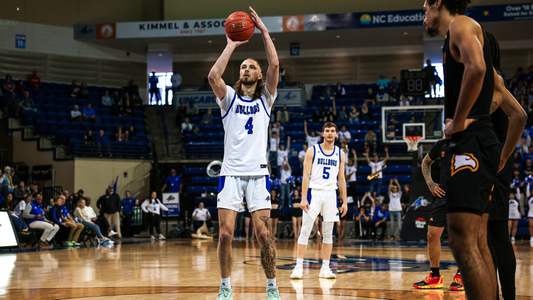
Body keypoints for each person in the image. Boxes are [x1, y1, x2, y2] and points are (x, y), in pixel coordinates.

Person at [423, 2, 501, 298]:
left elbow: (478, 67)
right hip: (479, 141)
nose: (424, 12)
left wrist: (457, 121)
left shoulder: (460, 24)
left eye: (425, 6)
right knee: (477, 242)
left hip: (470, 141)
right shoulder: (454, 35)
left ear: (439, 2)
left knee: (462, 241)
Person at [207, 6, 280, 299]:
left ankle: (272, 287)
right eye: (242, 67)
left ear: (258, 74)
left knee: (264, 235)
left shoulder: (266, 99)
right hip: (231, 174)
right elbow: (213, 76)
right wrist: (230, 44)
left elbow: (275, 65)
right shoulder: (229, 99)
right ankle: (225, 286)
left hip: (258, 176)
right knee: (225, 234)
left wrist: (263, 31)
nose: (245, 69)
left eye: (250, 66)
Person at [291, 122, 347, 280]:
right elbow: (305, 176)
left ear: (337, 134)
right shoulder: (312, 150)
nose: (330, 133)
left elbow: (341, 178)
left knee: (328, 234)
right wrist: (303, 197)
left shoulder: (340, 153)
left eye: (332, 131)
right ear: (322, 134)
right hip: (313, 193)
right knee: (305, 231)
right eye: (327, 131)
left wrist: (344, 201)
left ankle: (325, 268)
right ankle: (298, 267)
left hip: (331, 194)